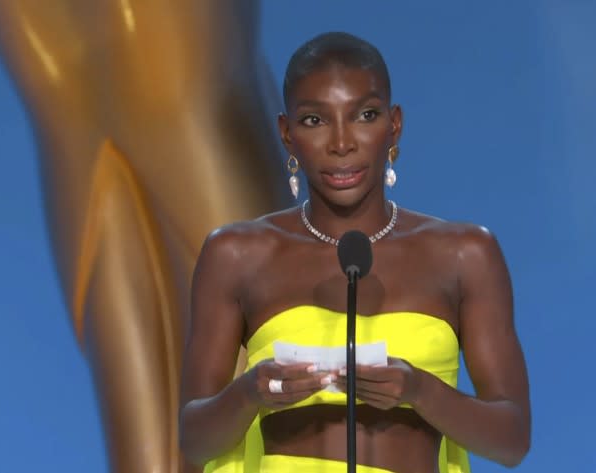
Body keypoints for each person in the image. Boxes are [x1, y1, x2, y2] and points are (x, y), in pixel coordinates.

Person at [179, 32, 531, 473]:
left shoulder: (466, 254)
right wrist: (250, 393)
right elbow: (193, 440)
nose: (342, 143)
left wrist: (419, 391)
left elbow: (512, 441)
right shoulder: (235, 254)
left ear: (394, 124)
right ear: (287, 135)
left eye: (364, 115)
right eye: (314, 121)